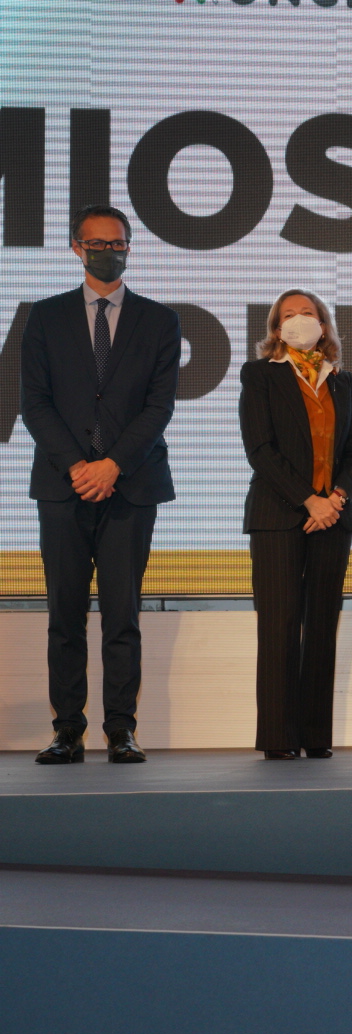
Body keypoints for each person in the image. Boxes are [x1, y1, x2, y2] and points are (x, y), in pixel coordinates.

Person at [21, 204, 180, 765]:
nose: (108, 252)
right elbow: (35, 404)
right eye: (97, 244)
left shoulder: (159, 320)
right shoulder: (45, 317)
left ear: (129, 248)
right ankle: (67, 729)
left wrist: (112, 464)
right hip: (62, 487)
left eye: (118, 244)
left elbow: (159, 406)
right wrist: (77, 466)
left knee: (122, 615)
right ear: (76, 248)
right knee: (64, 616)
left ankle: (121, 729)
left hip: (130, 488)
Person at [240, 290, 352, 760]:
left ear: (324, 324)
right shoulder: (260, 375)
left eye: (308, 313)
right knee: (279, 626)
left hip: (333, 517)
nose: (299, 320)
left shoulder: (342, 380)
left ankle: (315, 736)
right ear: (276, 329)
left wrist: (335, 499)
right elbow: (260, 449)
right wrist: (309, 501)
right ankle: (279, 738)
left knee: (321, 627)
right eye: (289, 315)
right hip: (278, 516)